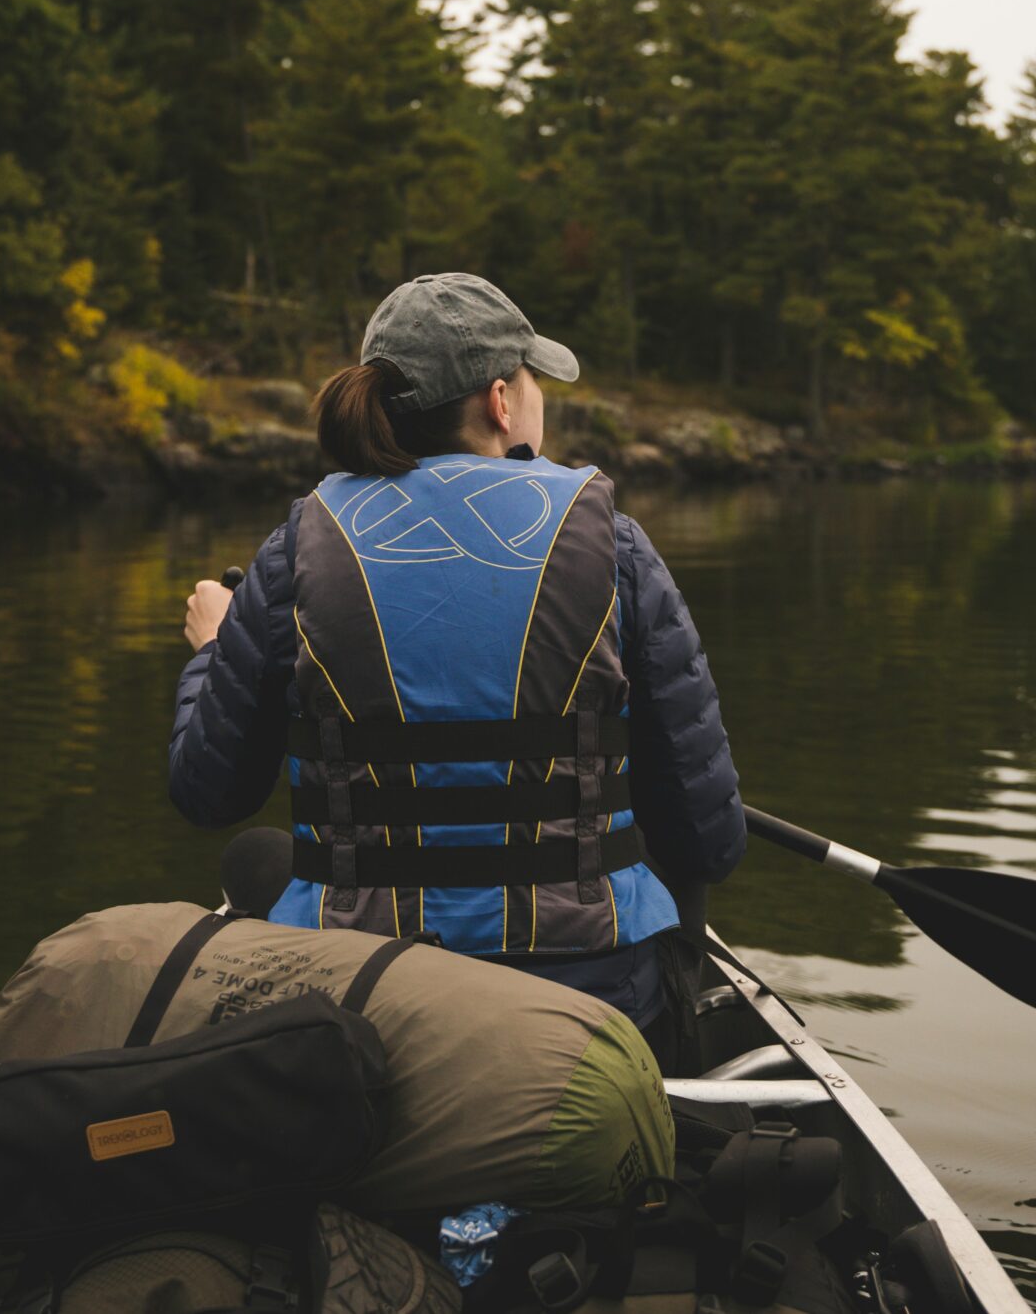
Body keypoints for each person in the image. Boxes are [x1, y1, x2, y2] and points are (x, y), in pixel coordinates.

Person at [167, 274, 745, 1055]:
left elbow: (210, 790)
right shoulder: (615, 544)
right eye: (535, 378)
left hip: (360, 999)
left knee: (258, 860)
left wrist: (211, 653)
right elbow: (710, 841)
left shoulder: (295, 549)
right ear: (501, 401)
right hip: (594, 1005)